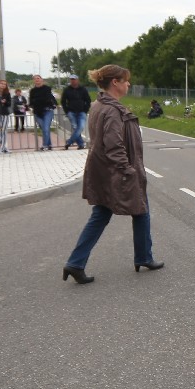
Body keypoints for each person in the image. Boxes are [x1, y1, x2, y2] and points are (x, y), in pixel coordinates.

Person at [62, 65, 162, 284]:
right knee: (140, 210)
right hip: (116, 172)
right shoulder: (113, 110)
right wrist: (128, 170)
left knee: (104, 214)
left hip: (103, 170)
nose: (128, 84)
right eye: (125, 80)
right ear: (115, 82)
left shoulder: (99, 105)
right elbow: (114, 145)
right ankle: (143, 257)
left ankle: (76, 263)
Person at [61, 74, 92, 150]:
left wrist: (85, 110)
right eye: (71, 79)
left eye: (74, 79)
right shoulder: (67, 90)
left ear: (77, 80)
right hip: (71, 112)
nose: (73, 81)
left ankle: (69, 142)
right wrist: (67, 111)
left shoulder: (83, 89)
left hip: (82, 112)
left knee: (80, 127)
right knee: (75, 127)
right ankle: (81, 144)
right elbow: (63, 101)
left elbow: (88, 100)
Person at [28, 74, 57, 151]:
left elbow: (46, 98)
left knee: (46, 128)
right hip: (37, 112)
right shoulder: (32, 91)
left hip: (47, 111)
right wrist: (33, 104)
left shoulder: (47, 88)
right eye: (35, 79)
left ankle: (45, 145)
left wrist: (37, 100)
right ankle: (49, 144)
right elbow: (31, 102)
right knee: (44, 128)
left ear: (41, 80)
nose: (37, 80)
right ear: (33, 81)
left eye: (38, 78)